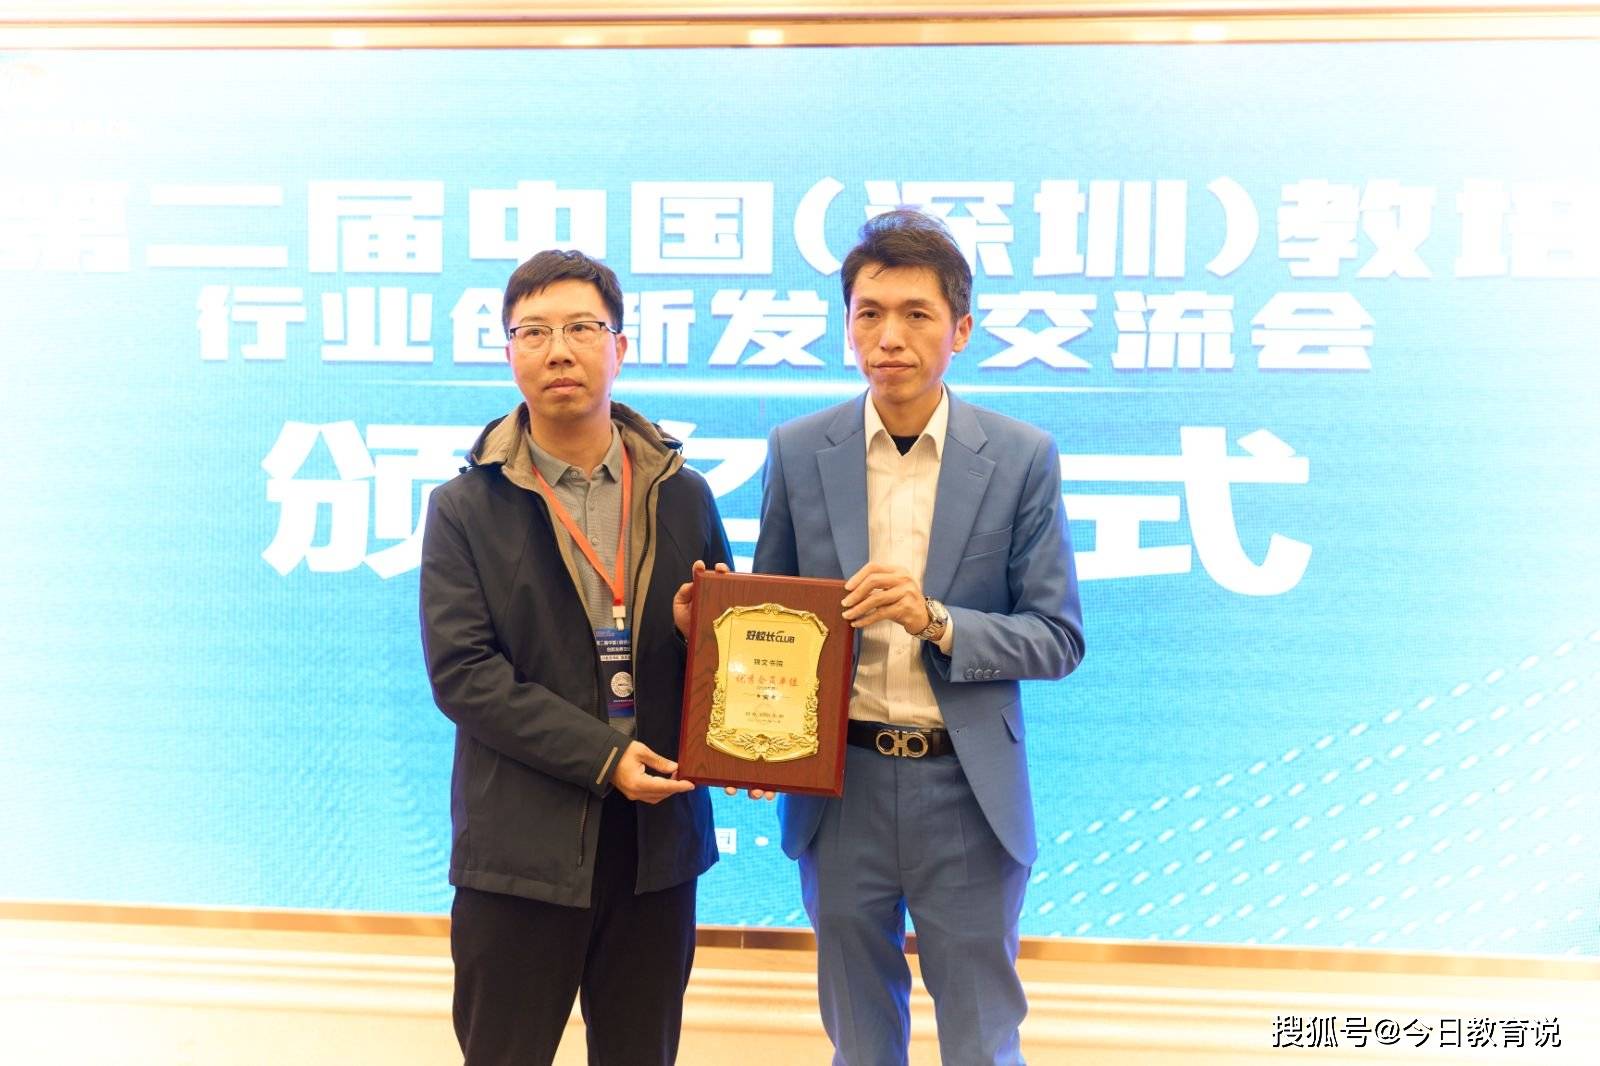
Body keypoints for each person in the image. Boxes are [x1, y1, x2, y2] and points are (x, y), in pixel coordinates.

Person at [753, 209, 1085, 1065]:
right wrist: (753, 740)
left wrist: (936, 620)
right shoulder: (798, 450)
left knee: (980, 1040)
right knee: (859, 1041)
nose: (889, 336)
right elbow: (772, 622)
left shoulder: (1021, 457)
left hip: (965, 790)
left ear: (960, 330)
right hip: (841, 788)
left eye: (915, 314)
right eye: (869, 313)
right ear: (847, 326)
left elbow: (1056, 637)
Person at [420, 249, 732, 1065]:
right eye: (534, 332)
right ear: (509, 352)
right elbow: (464, 675)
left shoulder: (682, 492)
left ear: (618, 347)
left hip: (655, 849)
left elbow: (730, 647)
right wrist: (604, 757)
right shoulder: (465, 506)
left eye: (582, 329)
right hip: (519, 851)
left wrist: (696, 638)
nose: (559, 350)